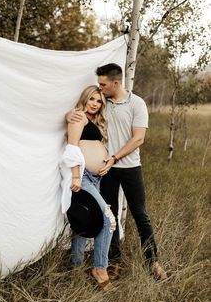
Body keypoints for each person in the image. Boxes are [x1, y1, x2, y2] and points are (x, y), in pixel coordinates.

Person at [68, 64, 167, 281]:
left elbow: (138, 138)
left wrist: (114, 157)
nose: (100, 89)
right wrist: (70, 116)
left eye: (103, 84)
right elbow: (83, 114)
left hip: (130, 167)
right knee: (108, 214)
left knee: (141, 215)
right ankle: (113, 262)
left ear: (116, 83)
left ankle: (153, 263)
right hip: (106, 172)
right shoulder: (104, 103)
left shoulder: (137, 103)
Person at [63, 85, 116, 290]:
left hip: (96, 178)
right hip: (82, 177)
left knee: (84, 217)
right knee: (108, 219)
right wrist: (76, 175)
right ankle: (100, 268)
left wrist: (108, 160)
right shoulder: (79, 117)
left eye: (99, 101)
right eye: (92, 99)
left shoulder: (93, 120)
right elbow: (73, 147)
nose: (95, 104)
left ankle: (75, 266)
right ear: (85, 99)